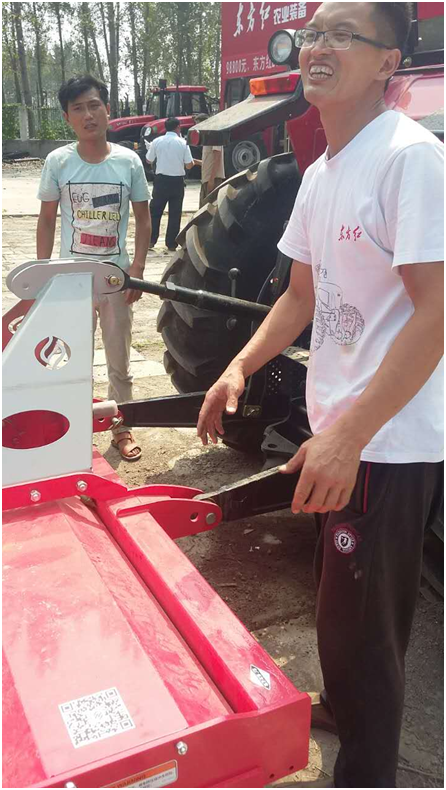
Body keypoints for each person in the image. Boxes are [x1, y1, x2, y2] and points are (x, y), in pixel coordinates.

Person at [196, 3, 444, 787]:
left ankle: (367, 772)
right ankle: (341, 704)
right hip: (339, 430)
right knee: (338, 599)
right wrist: (239, 366)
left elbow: (437, 313)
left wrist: (349, 437)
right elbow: (300, 296)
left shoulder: (410, 160)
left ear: (387, 63)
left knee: (366, 631)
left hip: (386, 441)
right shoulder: (323, 172)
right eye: (313, 34)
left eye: (344, 35)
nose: (319, 48)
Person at [37, 74, 151, 461]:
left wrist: (137, 270)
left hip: (116, 281)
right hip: (72, 285)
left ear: (107, 110)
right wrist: (43, 275)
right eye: (78, 109)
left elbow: (144, 219)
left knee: (119, 362)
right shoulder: (59, 162)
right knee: (71, 362)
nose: (88, 115)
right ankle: (74, 431)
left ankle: (122, 428)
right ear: (67, 117)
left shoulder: (128, 162)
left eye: (94, 105)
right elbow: (47, 221)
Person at [147, 117, 198, 253]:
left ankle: (151, 240)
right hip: (177, 182)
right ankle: (171, 243)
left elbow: (148, 160)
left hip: (161, 181)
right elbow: (189, 165)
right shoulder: (183, 143)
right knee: (175, 213)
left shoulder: (157, 141)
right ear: (178, 127)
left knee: (155, 211)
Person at [193, 113, 226, 208]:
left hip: (213, 179)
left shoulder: (214, 136)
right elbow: (210, 161)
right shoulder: (206, 138)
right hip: (206, 179)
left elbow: (217, 157)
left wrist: (211, 180)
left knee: (210, 208)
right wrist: (197, 162)